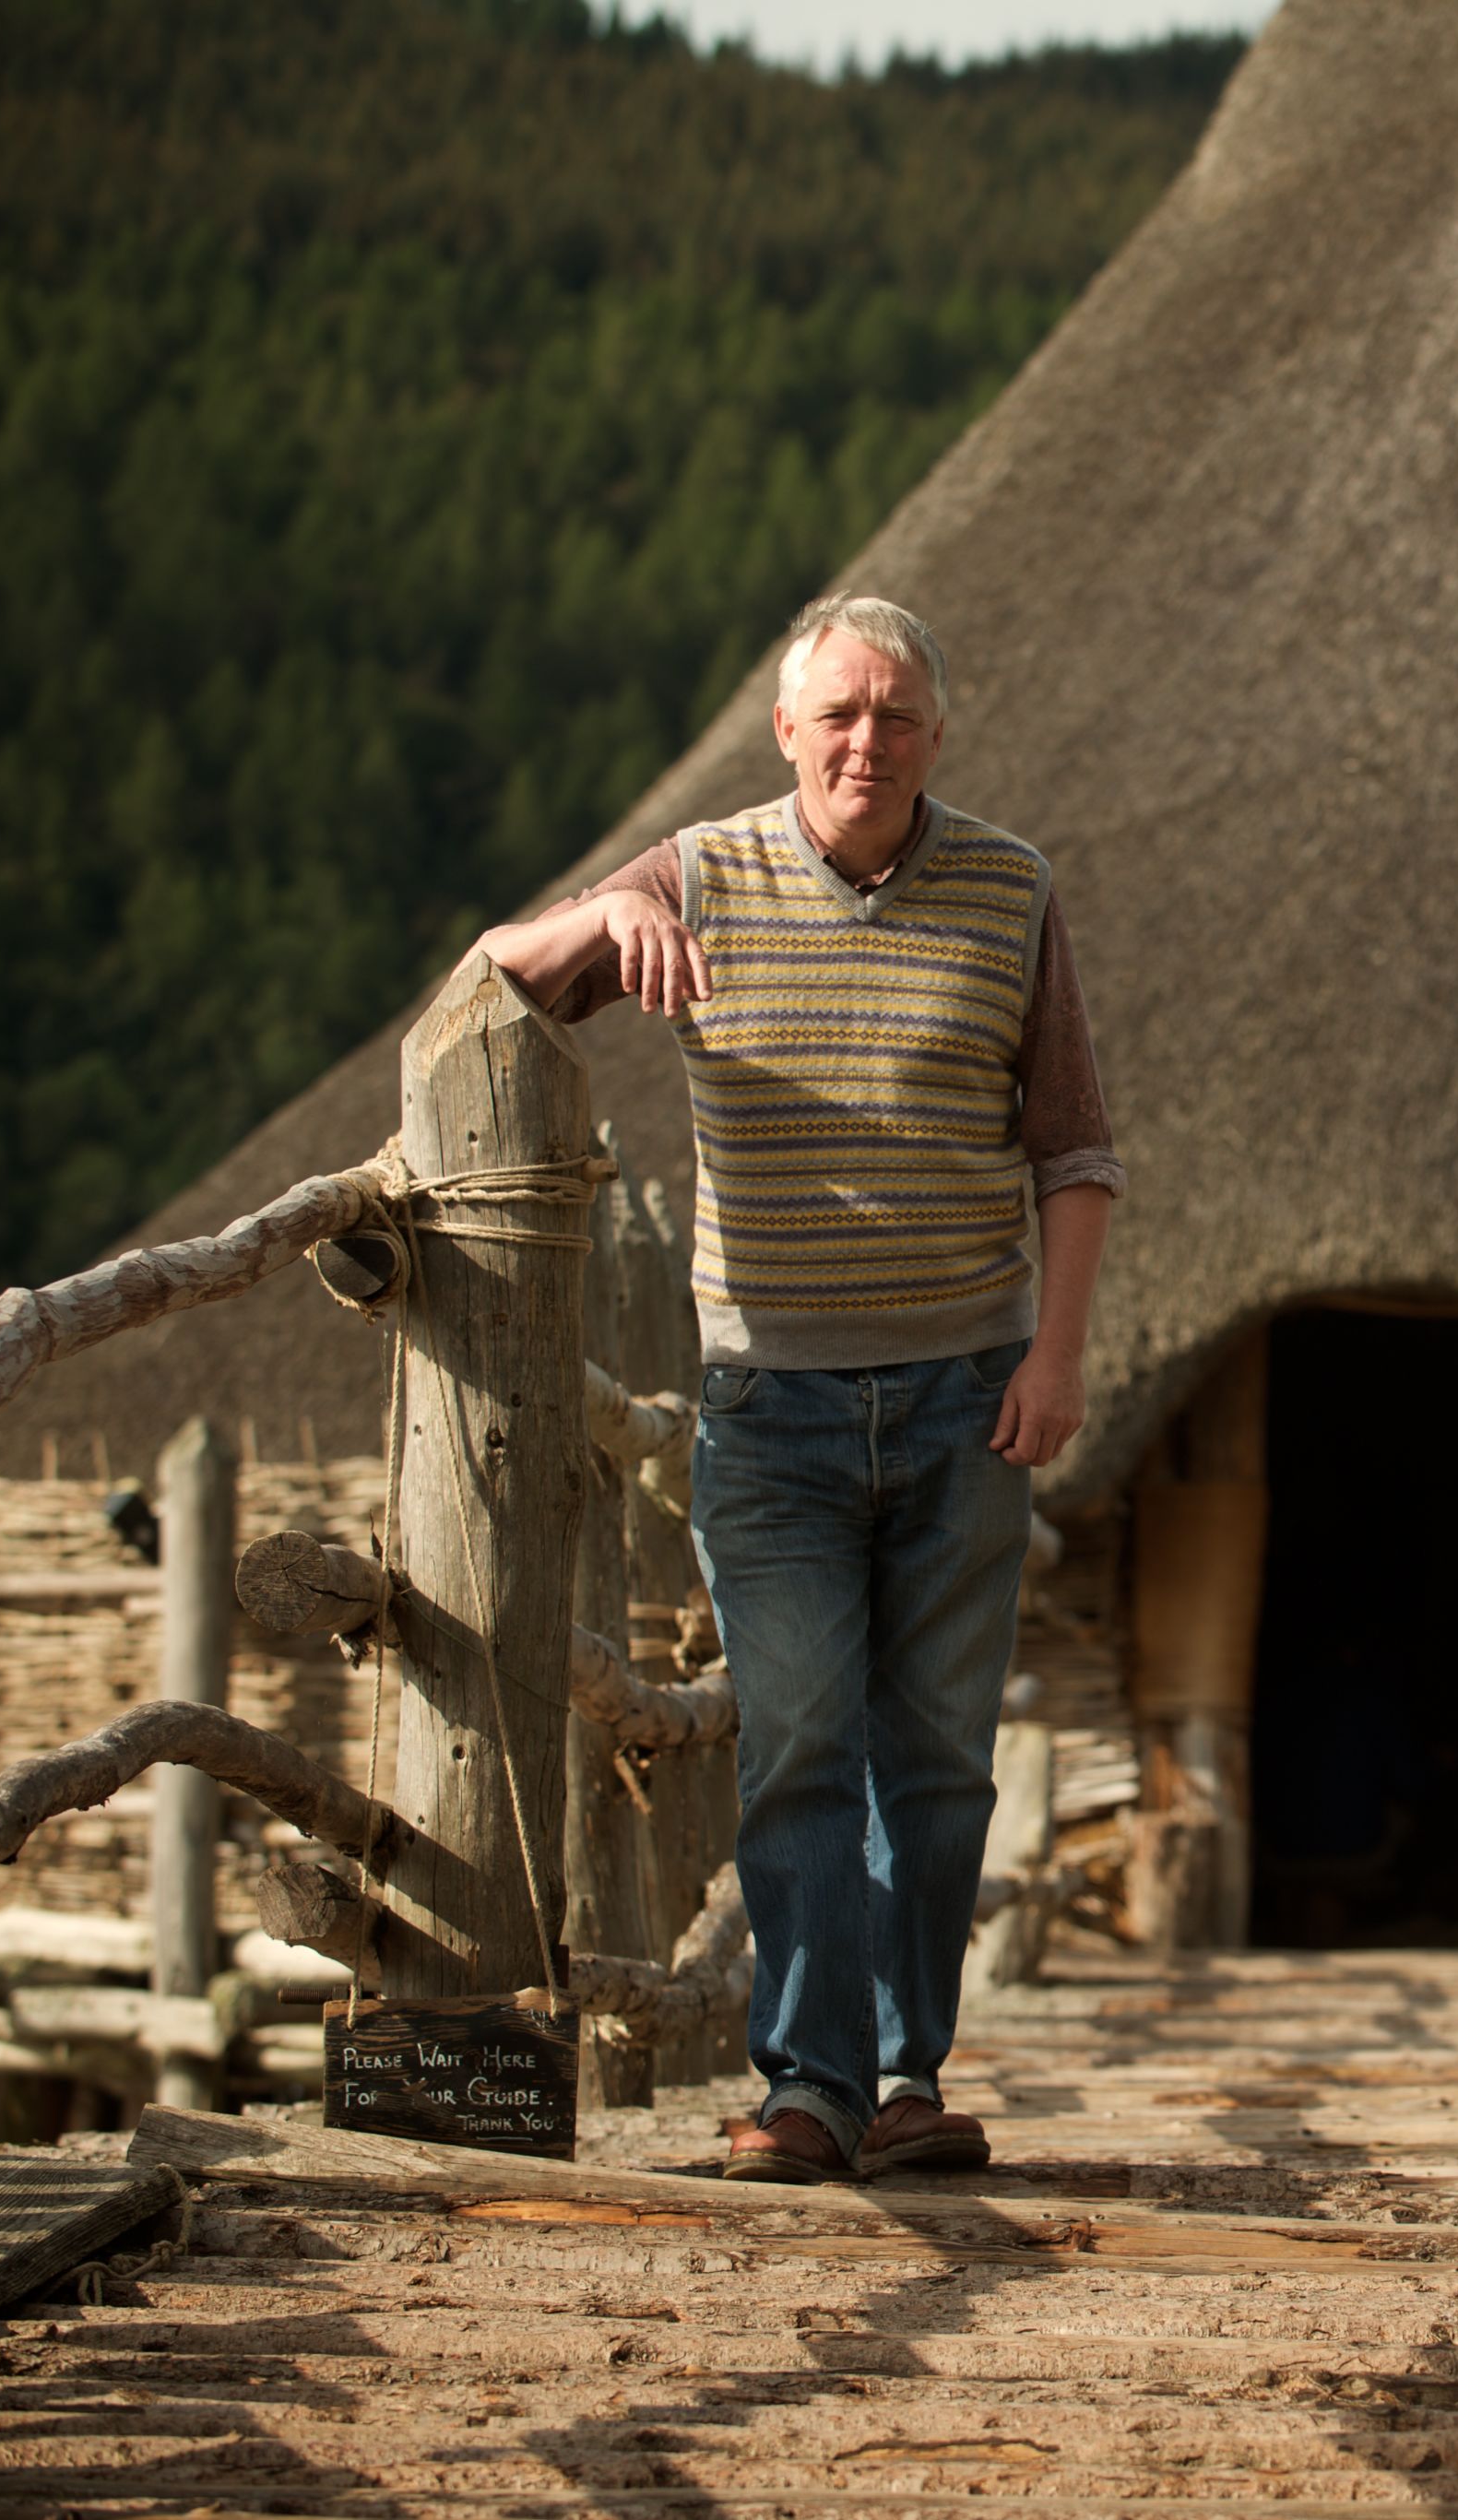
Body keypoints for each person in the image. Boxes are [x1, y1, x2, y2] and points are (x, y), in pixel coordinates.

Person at [477, 594, 1120, 2184]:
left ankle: (906, 2080)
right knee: (801, 1737)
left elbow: (1077, 1152)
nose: (865, 741)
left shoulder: (1013, 889)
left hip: (973, 1390)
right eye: (837, 714)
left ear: (936, 739)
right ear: (785, 731)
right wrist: (601, 925)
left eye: (896, 717)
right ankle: (806, 2085)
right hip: (773, 1402)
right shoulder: (703, 871)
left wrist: (1057, 1355)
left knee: (940, 1755)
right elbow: (503, 969)